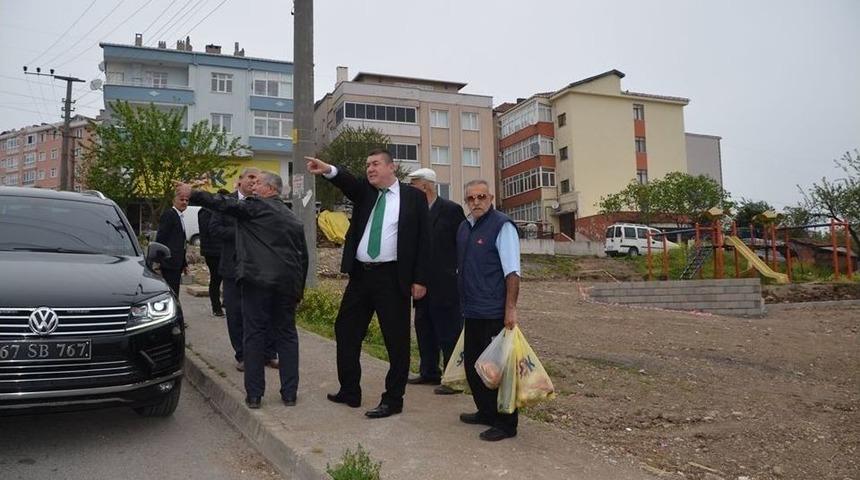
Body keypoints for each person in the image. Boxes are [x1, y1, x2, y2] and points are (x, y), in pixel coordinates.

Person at [306, 149, 430, 419]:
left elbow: (424, 240)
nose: (370, 169)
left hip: (393, 278)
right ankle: (350, 390)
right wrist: (328, 169)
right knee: (346, 330)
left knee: (396, 341)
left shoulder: (414, 198)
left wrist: (420, 279)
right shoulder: (366, 192)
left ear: (391, 167)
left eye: (375, 164)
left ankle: (393, 399)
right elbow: (347, 181)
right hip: (361, 276)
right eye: (367, 165)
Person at [181, 171, 308, 409]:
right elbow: (303, 258)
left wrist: (193, 194)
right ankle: (289, 394)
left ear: (270, 188)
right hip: (286, 286)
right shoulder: (293, 218)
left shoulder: (256, 207)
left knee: (254, 334)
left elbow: (223, 203)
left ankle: (254, 395)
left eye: (258, 183)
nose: (253, 186)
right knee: (287, 336)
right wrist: (298, 290)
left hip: (257, 283)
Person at [456, 179, 521, 442]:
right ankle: (485, 411)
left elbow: (512, 272)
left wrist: (511, 310)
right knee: (475, 367)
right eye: (471, 198)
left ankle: (506, 424)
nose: (476, 202)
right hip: (471, 310)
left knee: (499, 372)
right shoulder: (463, 227)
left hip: (495, 312)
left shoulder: (502, 226)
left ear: (491, 198)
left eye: (481, 196)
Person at [209, 169, 279, 372]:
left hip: (260, 268)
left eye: (257, 180)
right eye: (250, 178)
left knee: (265, 312)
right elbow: (214, 229)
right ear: (239, 180)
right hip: (232, 268)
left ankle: (269, 353)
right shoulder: (225, 202)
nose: (253, 182)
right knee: (236, 313)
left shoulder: (262, 202)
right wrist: (243, 232)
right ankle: (243, 355)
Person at [404, 168, 466, 395]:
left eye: (413, 184)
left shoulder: (451, 210)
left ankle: (453, 379)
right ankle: (429, 372)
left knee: (449, 332)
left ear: (425, 186)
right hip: (421, 285)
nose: (410, 188)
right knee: (424, 329)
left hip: (445, 284)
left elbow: (461, 245)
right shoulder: (414, 212)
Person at [198, 188, 230, 317]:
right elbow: (210, 231)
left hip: (218, 249)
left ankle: (225, 303)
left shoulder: (208, 211)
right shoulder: (206, 212)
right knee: (216, 279)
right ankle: (216, 307)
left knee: (225, 277)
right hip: (212, 251)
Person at [155, 186, 190, 297]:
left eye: (187, 200)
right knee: (170, 293)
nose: (184, 202)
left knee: (175, 292)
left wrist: (184, 263)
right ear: (174, 201)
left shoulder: (179, 216)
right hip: (169, 263)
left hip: (176, 264)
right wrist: (158, 261)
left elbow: (181, 243)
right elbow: (161, 238)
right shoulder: (169, 215)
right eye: (181, 199)